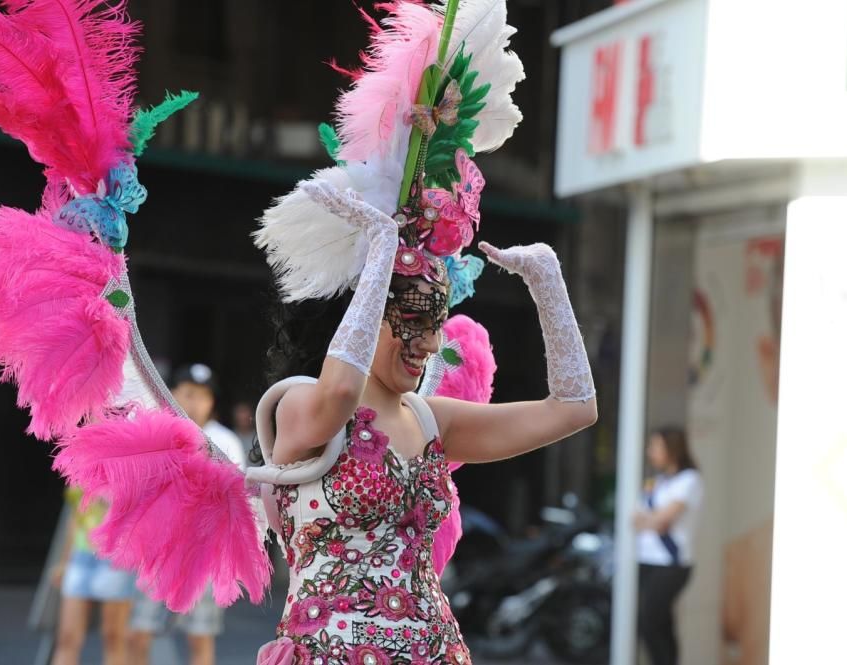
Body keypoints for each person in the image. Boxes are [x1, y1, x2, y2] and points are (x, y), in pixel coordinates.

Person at [246, 3, 596, 661]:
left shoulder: (433, 420)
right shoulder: (302, 408)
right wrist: (379, 254)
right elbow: (342, 389)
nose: (428, 343)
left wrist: (548, 284)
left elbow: (573, 409)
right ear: (364, 310)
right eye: (408, 321)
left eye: (434, 323)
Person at [129, 363, 246, 665]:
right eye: (188, 393)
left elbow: (236, 501)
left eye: (203, 396)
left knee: (200, 637)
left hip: (204, 553)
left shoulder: (226, 441)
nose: (195, 402)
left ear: (212, 402)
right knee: (140, 634)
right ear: (174, 394)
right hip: (158, 551)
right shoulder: (157, 433)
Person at [632, 427, 703, 665]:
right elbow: (639, 519)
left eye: (656, 447)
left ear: (672, 449)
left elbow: (662, 520)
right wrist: (652, 521)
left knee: (650, 623)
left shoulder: (689, 480)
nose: (650, 452)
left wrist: (651, 521)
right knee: (661, 624)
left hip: (671, 564)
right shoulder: (659, 482)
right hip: (647, 560)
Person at [51, 486, 135, 665]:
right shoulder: (82, 463)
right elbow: (75, 517)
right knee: (67, 637)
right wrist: (65, 561)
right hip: (81, 557)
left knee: (113, 637)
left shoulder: (133, 464)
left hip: (115, 558)